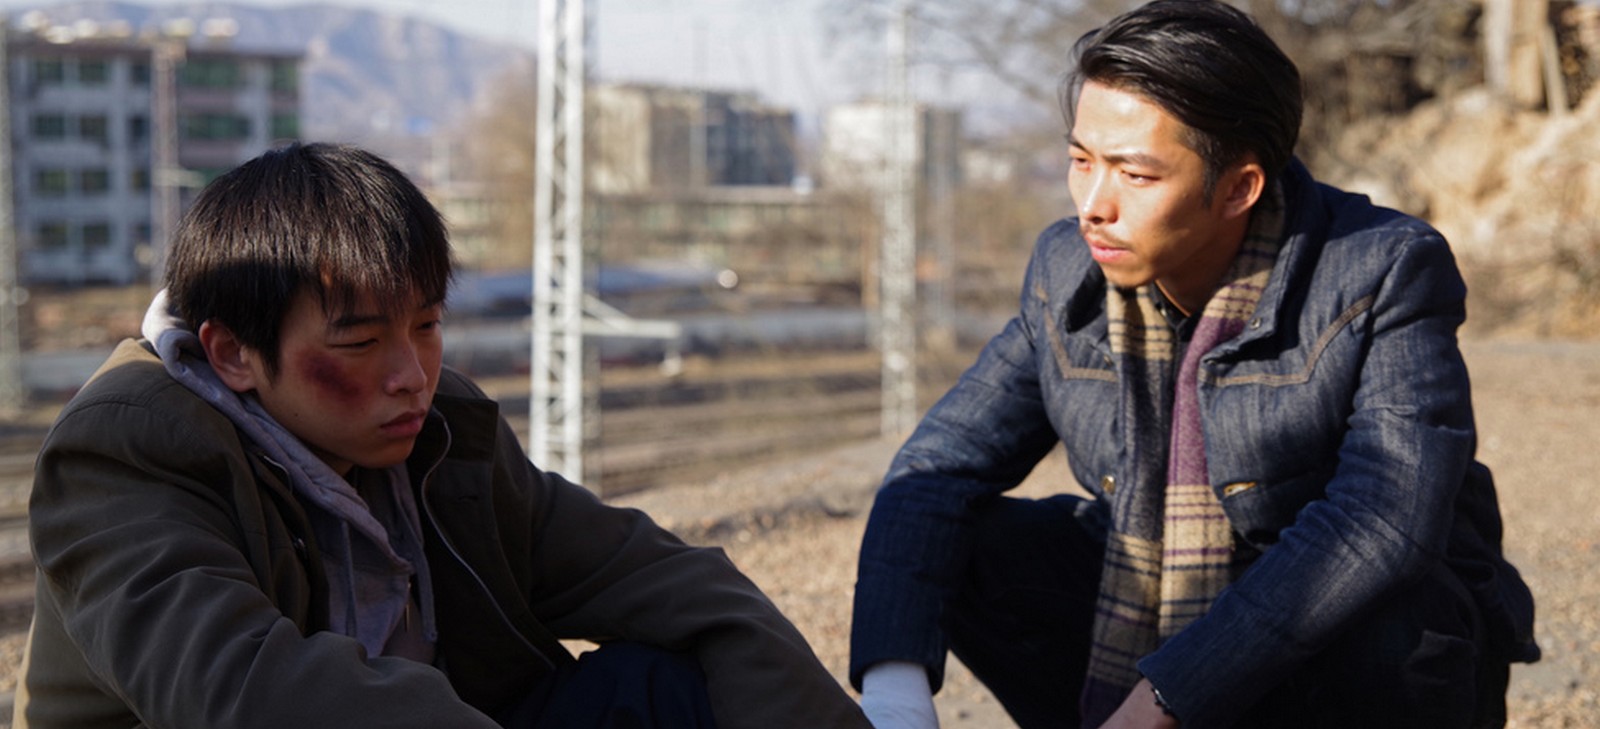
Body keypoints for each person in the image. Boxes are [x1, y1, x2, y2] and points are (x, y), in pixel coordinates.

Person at [15, 142, 871, 729]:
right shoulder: (125, 450)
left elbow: (660, 576)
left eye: (425, 326)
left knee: (658, 688)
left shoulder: (437, 428)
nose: (410, 373)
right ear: (233, 353)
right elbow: (241, 691)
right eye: (360, 341)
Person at [850, 2, 1539, 728]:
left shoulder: (1382, 267)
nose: (1093, 205)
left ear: (1239, 187)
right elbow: (939, 467)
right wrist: (896, 697)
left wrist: (1165, 698)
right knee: (976, 542)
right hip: (1153, 597)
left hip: (1335, 652)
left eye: (1135, 175)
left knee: (1388, 599)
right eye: (1081, 161)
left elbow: (1384, 516)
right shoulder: (1066, 268)